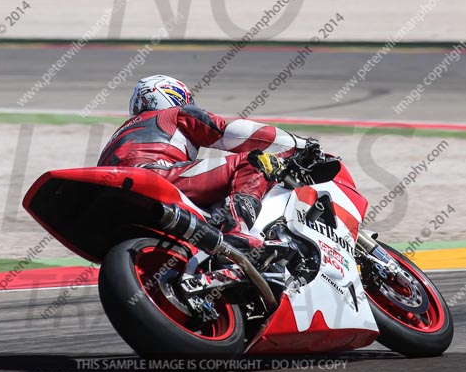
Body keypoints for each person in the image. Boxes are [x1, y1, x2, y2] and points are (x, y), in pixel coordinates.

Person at [97, 74, 318, 252]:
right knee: (255, 161)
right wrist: (299, 145)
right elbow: (230, 133)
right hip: (155, 176)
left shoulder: (118, 134)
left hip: (111, 201)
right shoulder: (174, 114)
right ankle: (236, 231)